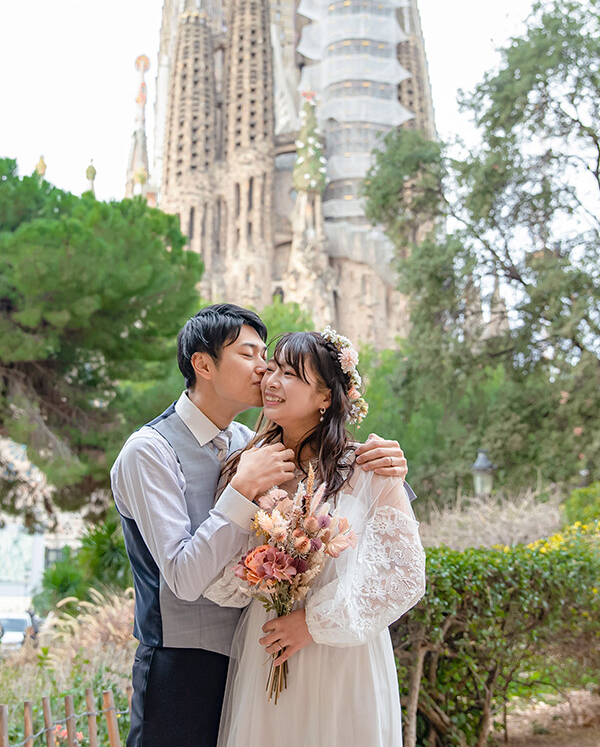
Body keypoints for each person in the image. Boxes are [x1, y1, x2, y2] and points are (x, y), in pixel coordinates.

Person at [111, 304, 409, 747]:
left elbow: (396, 564)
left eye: (273, 362)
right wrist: (242, 489)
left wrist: (395, 471)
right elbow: (186, 578)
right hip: (185, 666)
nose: (264, 371)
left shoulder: (245, 443)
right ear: (204, 365)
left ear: (327, 395)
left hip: (280, 655)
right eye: (250, 355)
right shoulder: (151, 451)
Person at [206, 328, 426, 747]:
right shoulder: (245, 467)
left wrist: (311, 623)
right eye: (272, 369)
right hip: (267, 648)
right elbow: (220, 570)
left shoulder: (369, 468)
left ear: (326, 396)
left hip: (343, 656)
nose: (271, 381)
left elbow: (405, 574)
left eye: (290, 374)